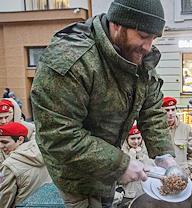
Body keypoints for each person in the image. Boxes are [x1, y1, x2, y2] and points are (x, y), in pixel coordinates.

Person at [30, 0, 178, 207]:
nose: (148, 47)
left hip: (108, 163)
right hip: (75, 175)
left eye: (154, 38)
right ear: (117, 25)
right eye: (143, 36)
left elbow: (151, 109)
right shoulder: (71, 59)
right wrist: (119, 165)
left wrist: (164, 154)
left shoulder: (139, 55)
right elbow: (58, 134)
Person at [0, 122, 52, 207]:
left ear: (20, 140)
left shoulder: (9, 165)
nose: (1, 146)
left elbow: (4, 199)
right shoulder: (45, 152)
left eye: (4, 142)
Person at [162, 96, 192, 179]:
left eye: (173, 109)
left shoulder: (186, 129)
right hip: (162, 176)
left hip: (182, 177)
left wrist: (188, 170)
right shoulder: (157, 129)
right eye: (167, 110)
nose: (171, 113)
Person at [120, 124, 154, 207]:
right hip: (128, 192)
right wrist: (131, 155)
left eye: (138, 138)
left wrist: (141, 155)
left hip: (144, 191)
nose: (136, 141)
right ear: (127, 139)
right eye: (133, 138)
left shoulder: (146, 149)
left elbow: (151, 167)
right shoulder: (121, 151)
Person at [0, 99, 35, 164]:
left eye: (6, 117)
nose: (3, 122)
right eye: (0, 118)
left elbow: (36, 154)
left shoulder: (31, 128)